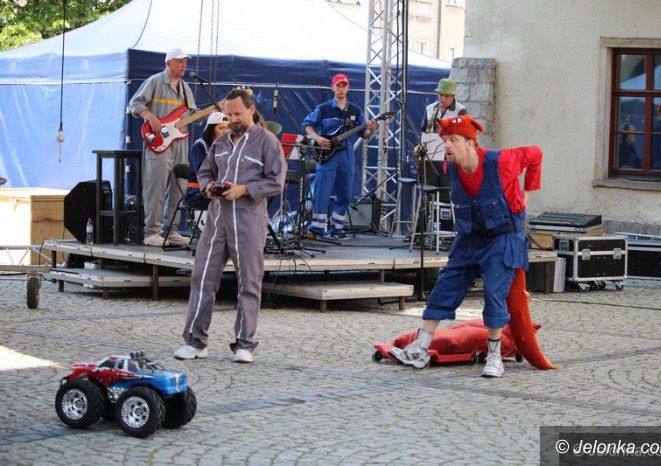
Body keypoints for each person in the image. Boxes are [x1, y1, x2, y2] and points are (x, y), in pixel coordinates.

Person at [389, 115, 543, 378]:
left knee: (494, 294)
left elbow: (536, 153)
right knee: (445, 285)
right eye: (445, 140)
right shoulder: (450, 168)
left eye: (453, 140)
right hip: (470, 237)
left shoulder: (501, 161)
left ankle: (494, 357)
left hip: (503, 238)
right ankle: (420, 350)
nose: (446, 145)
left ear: (470, 143)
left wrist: (528, 192)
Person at [174, 89, 286, 363]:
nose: (232, 119)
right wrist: (208, 186)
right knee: (202, 277)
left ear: (251, 110)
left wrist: (245, 189)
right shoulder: (221, 142)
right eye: (228, 114)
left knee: (249, 282)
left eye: (237, 114)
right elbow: (204, 171)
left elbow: (276, 181)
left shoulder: (268, 142)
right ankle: (195, 341)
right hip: (217, 220)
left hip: (249, 221)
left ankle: (245, 344)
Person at [128, 48, 196, 247]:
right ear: (168, 63)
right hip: (159, 141)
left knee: (179, 185)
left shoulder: (186, 87)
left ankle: (170, 231)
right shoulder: (155, 81)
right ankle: (151, 232)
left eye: (185, 62)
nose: (184, 65)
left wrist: (211, 113)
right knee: (156, 187)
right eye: (180, 61)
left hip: (180, 142)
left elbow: (192, 113)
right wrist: (149, 116)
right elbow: (135, 103)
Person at [301, 73, 377, 239]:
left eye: (344, 85)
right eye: (338, 86)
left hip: (347, 156)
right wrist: (318, 138)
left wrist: (372, 130)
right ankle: (316, 228)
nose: (341, 89)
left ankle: (336, 228)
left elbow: (364, 135)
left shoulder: (356, 111)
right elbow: (307, 125)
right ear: (332, 87)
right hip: (327, 156)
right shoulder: (323, 108)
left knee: (345, 192)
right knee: (321, 191)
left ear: (348, 87)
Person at [415, 78, 467, 201]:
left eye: (446, 96)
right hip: (430, 158)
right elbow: (423, 130)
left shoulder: (461, 110)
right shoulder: (430, 108)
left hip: (449, 159)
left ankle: (446, 213)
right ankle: (426, 212)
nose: (442, 99)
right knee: (427, 193)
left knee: (447, 192)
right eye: (440, 95)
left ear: (453, 96)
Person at [185, 111, 230, 210]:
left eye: (227, 128)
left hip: (218, 189)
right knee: (229, 200)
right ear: (211, 129)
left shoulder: (226, 147)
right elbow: (203, 174)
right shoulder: (200, 145)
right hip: (197, 193)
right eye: (221, 128)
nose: (225, 131)